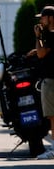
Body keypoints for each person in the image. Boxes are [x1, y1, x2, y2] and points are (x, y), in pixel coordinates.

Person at [32, 6, 54, 159]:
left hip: (51, 80)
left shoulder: (51, 35)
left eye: (43, 17)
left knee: (52, 116)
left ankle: (53, 148)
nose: (40, 20)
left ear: (50, 18)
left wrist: (38, 36)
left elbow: (41, 53)